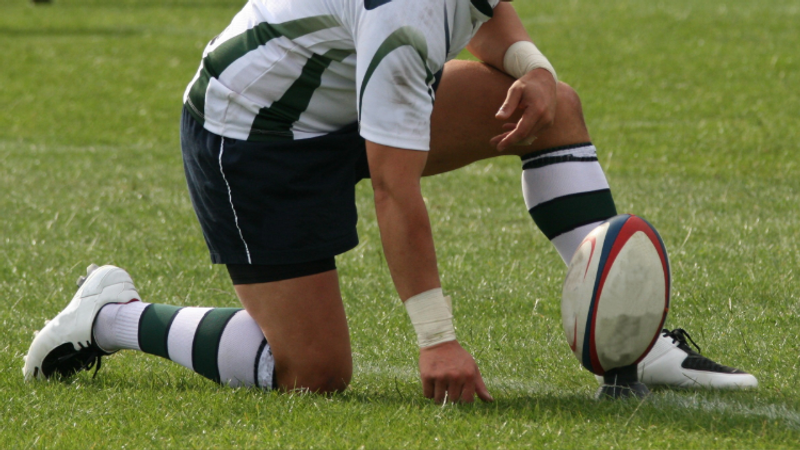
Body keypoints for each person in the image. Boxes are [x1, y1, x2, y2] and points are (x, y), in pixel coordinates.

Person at [23, 0, 756, 402]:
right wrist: (436, 339)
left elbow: (488, 7)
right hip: (251, 136)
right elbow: (394, 189)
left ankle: (637, 344)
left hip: (340, 101)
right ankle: (110, 316)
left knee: (551, 105)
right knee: (312, 372)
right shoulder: (403, 17)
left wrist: (531, 67)